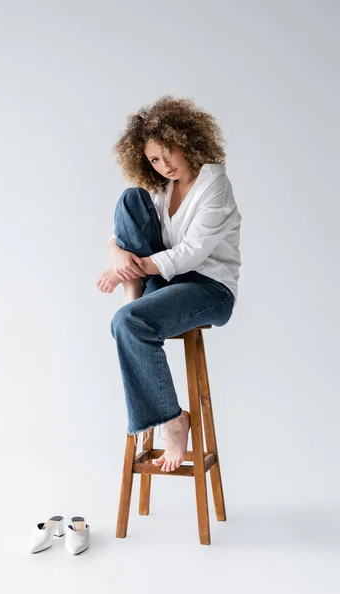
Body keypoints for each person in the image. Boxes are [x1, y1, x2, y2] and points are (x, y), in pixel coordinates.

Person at [96, 95, 242, 473]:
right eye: (154, 161)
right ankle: (133, 298)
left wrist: (126, 268)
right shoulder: (161, 188)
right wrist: (116, 257)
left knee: (127, 323)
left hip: (208, 288)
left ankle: (172, 420)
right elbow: (121, 236)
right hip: (163, 280)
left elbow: (191, 254)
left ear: (187, 140)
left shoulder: (214, 185)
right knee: (130, 198)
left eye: (168, 154)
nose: (164, 166)